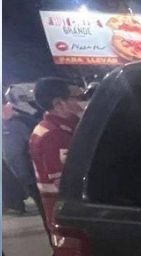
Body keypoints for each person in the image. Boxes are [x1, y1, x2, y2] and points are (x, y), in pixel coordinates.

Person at [29, 77, 85, 237]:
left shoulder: (59, 128)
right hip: (66, 213)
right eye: (76, 97)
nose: (81, 102)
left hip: (63, 209)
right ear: (59, 103)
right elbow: (65, 182)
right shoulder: (54, 135)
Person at [2, 85, 41, 216]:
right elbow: (14, 155)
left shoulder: (15, 121)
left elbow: (14, 154)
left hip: (36, 174)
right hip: (35, 175)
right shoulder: (16, 120)